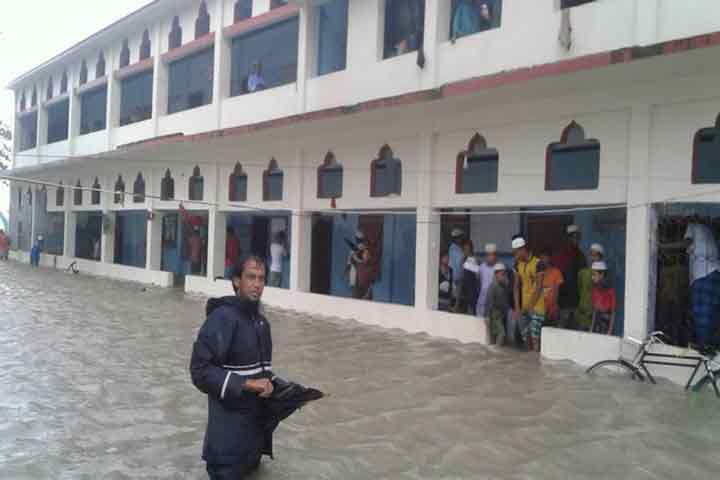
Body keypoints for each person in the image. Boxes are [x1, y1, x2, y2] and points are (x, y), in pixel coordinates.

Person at [189, 256, 274, 479]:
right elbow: (200, 371)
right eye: (251, 277)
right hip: (226, 452)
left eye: (262, 278)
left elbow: (262, 376)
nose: (257, 284)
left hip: (254, 446)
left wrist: (281, 390)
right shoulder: (222, 318)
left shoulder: (262, 324)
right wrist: (247, 384)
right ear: (237, 281)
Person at [660, 221, 720, 344]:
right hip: (715, 273)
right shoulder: (707, 229)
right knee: (713, 317)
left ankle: (703, 349)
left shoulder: (692, 225)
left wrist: (662, 246)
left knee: (701, 319)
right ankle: (711, 352)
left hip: (703, 275)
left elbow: (686, 243)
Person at [512, 237, 545, 352]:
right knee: (526, 338)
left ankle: (536, 364)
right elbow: (516, 287)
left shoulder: (538, 263)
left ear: (522, 249)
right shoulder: (517, 264)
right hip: (524, 307)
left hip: (538, 307)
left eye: (516, 252)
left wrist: (531, 306)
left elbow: (539, 287)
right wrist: (517, 308)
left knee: (535, 338)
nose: (514, 255)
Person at [553, 225, 587, 330]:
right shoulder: (561, 254)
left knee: (575, 330)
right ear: (568, 238)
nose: (576, 240)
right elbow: (556, 279)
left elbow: (583, 278)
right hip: (563, 300)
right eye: (573, 237)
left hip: (577, 300)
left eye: (578, 237)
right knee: (562, 328)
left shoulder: (581, 255)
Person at [576, 244, 604, 331]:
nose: (592, 258)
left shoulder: (602, 274)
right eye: (591, 255)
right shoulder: (582, 273)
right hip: (582, 312)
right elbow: (580, 290)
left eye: (595, 256)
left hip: (595, 313)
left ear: (600, 258)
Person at [485, 263, 511, 346]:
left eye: (505, 274)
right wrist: (488, 317)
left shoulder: (503, 286)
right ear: (496, 274)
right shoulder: (493, 287)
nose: (504, 277)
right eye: (502, 274)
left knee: (496, 335)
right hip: (494, 314)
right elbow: (489, 302)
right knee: (501, 334)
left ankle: (494, 352)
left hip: (501, 314)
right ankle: (497, 351)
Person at [539, 248, 564, 327]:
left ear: (549, 258)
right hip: (540, 310)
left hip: (552, 310)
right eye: (541, 258)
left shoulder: (556, 272)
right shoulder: (538, 274)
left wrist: (554, 306)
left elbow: (557, 291)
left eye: (544, 257)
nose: (542, 260)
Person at [590, 261, 616, 335]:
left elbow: (613, 312)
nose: (592, 277)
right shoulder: (594, 289)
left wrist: (609, 332)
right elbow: (595, 311)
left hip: (606, 326)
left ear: (602, 275)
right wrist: (592, 329)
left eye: (594, 275)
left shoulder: (610, 291)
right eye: (592, 275)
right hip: (597, 323)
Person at [475, 243, 498, 317]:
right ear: (486, 256)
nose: (491, 257)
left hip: (494, 304)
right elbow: (478, 283)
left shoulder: (499, 267)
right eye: (489, 255)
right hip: (482, 301)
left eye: (493, 255)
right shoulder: (482, 267)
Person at [458, 241, 480, 315]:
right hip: (464, 291)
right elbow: (461, 276)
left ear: (471, 250)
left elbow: (478, 277)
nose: (465, 251)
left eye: (467, 249)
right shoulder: (463, 260)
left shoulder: (475, 260)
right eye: (464, 249)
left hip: (472, 292)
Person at [448, 229, 465, 306]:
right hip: (456, 278)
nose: (461, 239)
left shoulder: (458, 248)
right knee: (455, 301)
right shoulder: (454, 249)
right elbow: (457, 265)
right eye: (459, 237)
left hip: (458, 278)